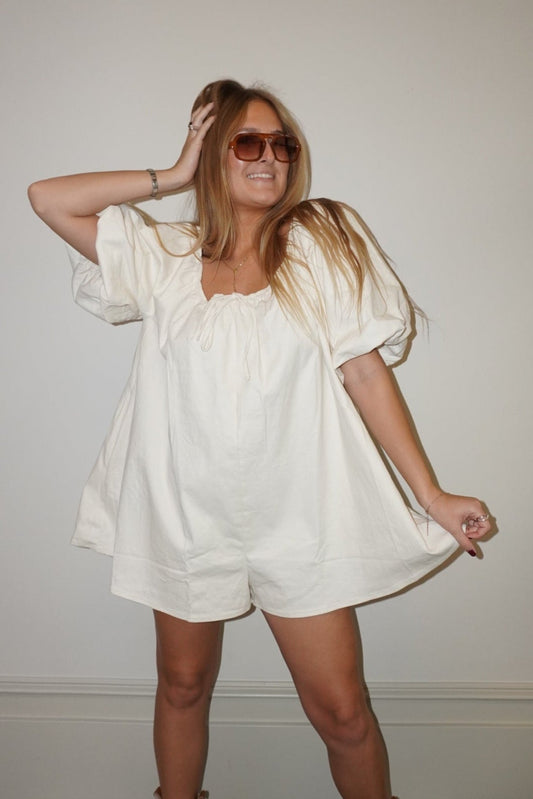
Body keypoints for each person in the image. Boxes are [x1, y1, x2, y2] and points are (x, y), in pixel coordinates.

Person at [28, 79, 491, 799]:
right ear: (214, 154)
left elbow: (363, 372)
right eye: (247, 141)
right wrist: (173, 173)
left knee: (342, 713)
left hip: (299, 517)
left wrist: (428, 494)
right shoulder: (166, 258)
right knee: (181, 684)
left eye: (282, 144)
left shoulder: (323, 243)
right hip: (183, 512)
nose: (268, 156)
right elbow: (48, 197)